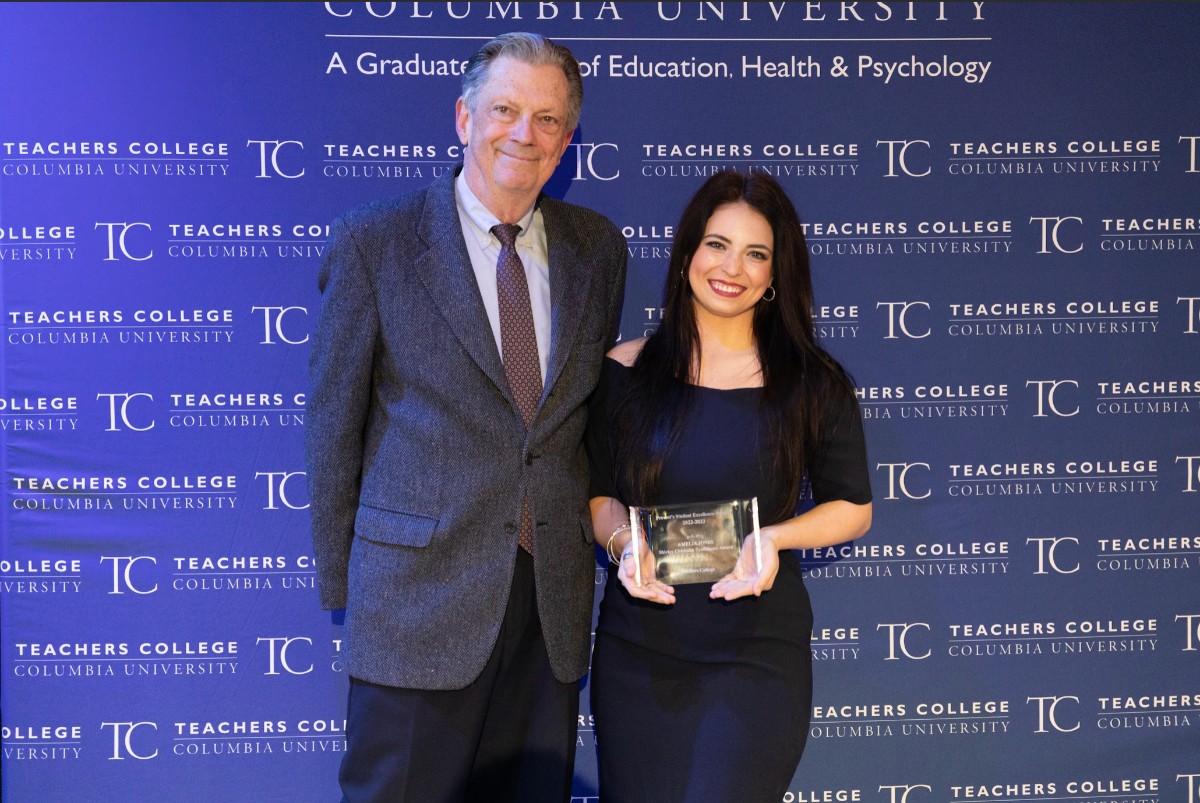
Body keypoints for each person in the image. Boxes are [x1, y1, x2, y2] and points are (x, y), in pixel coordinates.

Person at [305, 32, 627, 803]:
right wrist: (350, 588)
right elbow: (332, 428)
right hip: (417, 600)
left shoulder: (597, 249)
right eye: (506, 109)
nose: (525, 133)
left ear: (568, 139)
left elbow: (581, 419)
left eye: (549, 119)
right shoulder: (375, 242)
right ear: (463, 118)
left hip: (548, 603)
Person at [586, 170, 872, 802]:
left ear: (775, 275)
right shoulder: (624, 372)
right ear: (688, 250)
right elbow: (599, 499)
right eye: (717, 244)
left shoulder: (812, 383)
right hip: (638, 652)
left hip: (756, 656)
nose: (732, 267)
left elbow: (853, 507)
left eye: (756, 253)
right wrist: (623, 545)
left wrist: (775, 536)